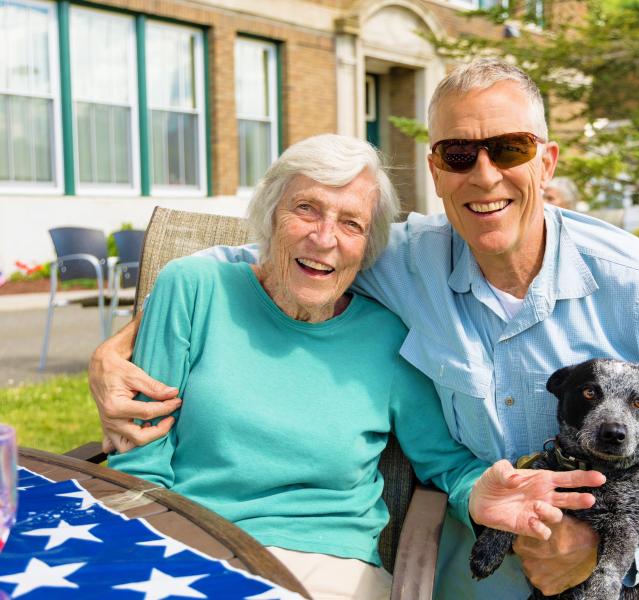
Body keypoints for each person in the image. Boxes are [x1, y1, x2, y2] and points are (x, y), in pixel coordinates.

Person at [90, 60, 639, 599]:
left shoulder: (637, 281)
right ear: (437, 171)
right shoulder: (405, 262)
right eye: (460, 153)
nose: (485, 174)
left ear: (547, 162)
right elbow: (277, 262)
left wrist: (602, 548)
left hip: (624, 572)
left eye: (510, 148)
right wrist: (121, 342)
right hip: (485, 570)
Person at [104, 133, 603, 600]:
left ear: (369, 247)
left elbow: (444, 462)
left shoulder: (387, 336)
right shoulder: (193, 289)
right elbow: (139, 459)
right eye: (306, 209)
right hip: (189, 542)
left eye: (351, 224)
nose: (325, 239)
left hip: (327, 565)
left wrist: (480, 495)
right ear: (269, 214)